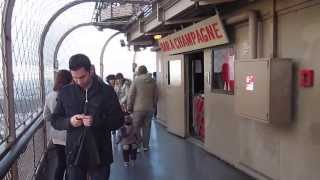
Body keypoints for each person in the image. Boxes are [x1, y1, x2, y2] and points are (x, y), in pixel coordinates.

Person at [51, 54, 124, 180]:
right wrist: (70, 122)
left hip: (100, 152)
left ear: (91, 70)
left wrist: (97, 121)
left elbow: (118, 120)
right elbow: (55, 120)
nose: (79, 82)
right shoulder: (65, 92)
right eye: (74, 78)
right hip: (74, 153)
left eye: (82, 77)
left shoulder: (107, 91)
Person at [43, 69, 72, 180]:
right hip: (69, 134)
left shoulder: (50, 96)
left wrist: (55, 120)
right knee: (70, 165)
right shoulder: (70, 94)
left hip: (56, 135)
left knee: (60, 163)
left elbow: (46, 116)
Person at [127, 65, 157, 151]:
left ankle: (138, 146)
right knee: (147, 128)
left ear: (139, 72)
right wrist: (153, 105)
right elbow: (156, 95)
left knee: (136, 127)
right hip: (149, 108)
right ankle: (145, 146)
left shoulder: (136, 80)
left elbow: (131, 95)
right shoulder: (153, 80)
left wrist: (129, 107)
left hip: (138, 109)